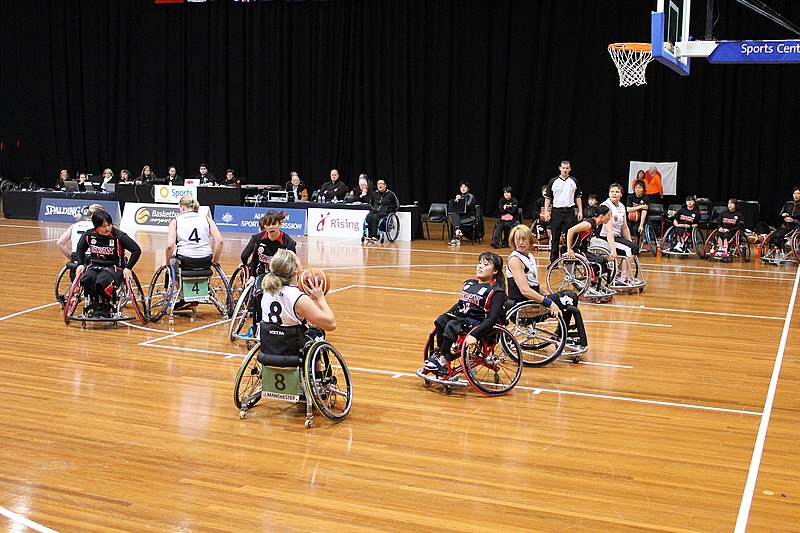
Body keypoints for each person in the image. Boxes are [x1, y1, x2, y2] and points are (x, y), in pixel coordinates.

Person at [506, 224, 589, 351]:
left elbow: (535, 286)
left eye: (524, 239)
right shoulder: (515, 260)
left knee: (566, 297)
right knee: (569, 297)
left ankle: (562, 334)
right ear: (513, 241)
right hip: (522, 306)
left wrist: (547, 297)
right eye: (518, 239)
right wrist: (549, 302)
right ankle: (562, 335)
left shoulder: (529, 256)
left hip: (531, 302)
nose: (521, 242)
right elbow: (525, 290)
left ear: (530, 240)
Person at [423, 252, 507, 375]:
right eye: (479, 263)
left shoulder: (496, 292)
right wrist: (446, 315)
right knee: (441, 320)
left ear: (495, 271)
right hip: (463, 318)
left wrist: (475, 334)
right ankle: (441, 353)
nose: (480, 266)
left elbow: (493, 318)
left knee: (452, 324)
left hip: (478, 323)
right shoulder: (468, 284)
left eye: (485, 264)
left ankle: (443, 359)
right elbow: (460, 304)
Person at [259, 249, 336, 362]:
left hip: (269, 347)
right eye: (298, 259)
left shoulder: (267, 291)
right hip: (291, 350)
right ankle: (318, 377)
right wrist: (320, 298)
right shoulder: (299, 299)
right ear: (294, 270)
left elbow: (285, 303)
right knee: (317, 332)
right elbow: (331, 324)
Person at [74, 210, 142, 318]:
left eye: (109, 225)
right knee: (87, 278)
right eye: (103, 226)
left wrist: (128, 268)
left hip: (114, 266)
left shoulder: (119, 236)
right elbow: (80, 249)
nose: (107, 228)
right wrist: (80, 264)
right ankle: (94, 304)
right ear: (96, 227)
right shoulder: (89, 235)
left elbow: (136, 250)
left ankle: (106, 305)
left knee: (103, 280)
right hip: (95, 265)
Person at [165, 195, 224, 310]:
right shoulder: (206, 219)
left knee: (171, 265)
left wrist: (166, 262)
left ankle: (182, 296)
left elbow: (169, 246)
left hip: (185, 259)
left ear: (182, 207)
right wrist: (215, 260)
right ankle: (197, 293)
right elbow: (220, 241)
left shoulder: (176, 221)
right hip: (205, 259)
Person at [543, 160, 583, 263]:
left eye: (567, 168)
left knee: (570, 236)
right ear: (560, 168)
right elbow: (548, 198)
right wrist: (547, 212)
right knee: (555, 237)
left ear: (570, 169)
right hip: (556, 211)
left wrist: (580, 211)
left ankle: (568, 260)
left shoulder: (573, 181)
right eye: (563, 168)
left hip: (569, 211)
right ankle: (554, 262)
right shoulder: (553, 181)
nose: (565, 170)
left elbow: (578, 197)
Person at [565, 204, 614, 287]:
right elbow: (570, 231)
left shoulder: (595, 225)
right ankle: (590, 285)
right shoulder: (588, 224)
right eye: (609, 215)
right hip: (576, 250)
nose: (610, 218)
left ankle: (593, 284)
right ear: (602, 216)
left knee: (603, 261)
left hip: (583, 250)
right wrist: (569, 249)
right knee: (598, 261)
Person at [240, 210, 298, 279]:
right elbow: (255, 258)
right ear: (264, 226)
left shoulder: (288, 243)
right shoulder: (258, 239)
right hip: (262, 275)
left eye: (274, 224)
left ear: (280, 224)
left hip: (280, 277)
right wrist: (252, 276)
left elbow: (294, 264)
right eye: (268, 225)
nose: (271, 227)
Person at [56, 204, 106, 284]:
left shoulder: (74, 226)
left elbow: (60, 243)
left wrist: (71, 256)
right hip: (91, 258)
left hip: (76, 257)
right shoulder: (96, 227)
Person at [600, 183, 639, 282]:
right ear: (609, 193)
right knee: (631, 249)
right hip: (605, 236)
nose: (614, 194)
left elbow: (624, 227)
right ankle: (623, 276)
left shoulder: (621, 206)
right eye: (612, 192)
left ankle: (620, 273)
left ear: (621, 194)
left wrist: (630, 242)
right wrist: (613, 250)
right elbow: (609, 231)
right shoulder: (606, 206)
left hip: (617, 236)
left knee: (633, 248)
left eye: (617, 192)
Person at [448, 181, 477, 246]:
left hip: (470, 216)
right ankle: (457, 233)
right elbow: (456, 208)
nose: (463, 188)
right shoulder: (459, 196)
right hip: (462, 216)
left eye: (465, 187)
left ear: (468, 189)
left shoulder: (471, 196)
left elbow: (467, 206)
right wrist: (457, 201)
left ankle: (456, 239)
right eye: (461, 187)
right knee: (453, 214)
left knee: (455, 221)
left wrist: (460, 200)